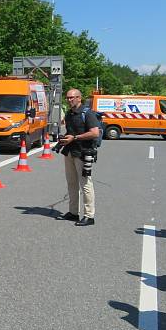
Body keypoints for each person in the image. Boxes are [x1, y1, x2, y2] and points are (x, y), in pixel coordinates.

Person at [57, 88, 99, 226]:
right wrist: (64, 139)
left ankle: (89, 216)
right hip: (69, 151)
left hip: (83, 152)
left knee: (86, 184)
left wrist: (74, 137)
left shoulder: (88, 114)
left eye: (72, 97)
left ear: (79, 98)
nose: (69, 100)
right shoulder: (69, 114)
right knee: (71, 183)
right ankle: (73, 212)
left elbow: (94, 133)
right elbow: (70, 131)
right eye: (68, 98)